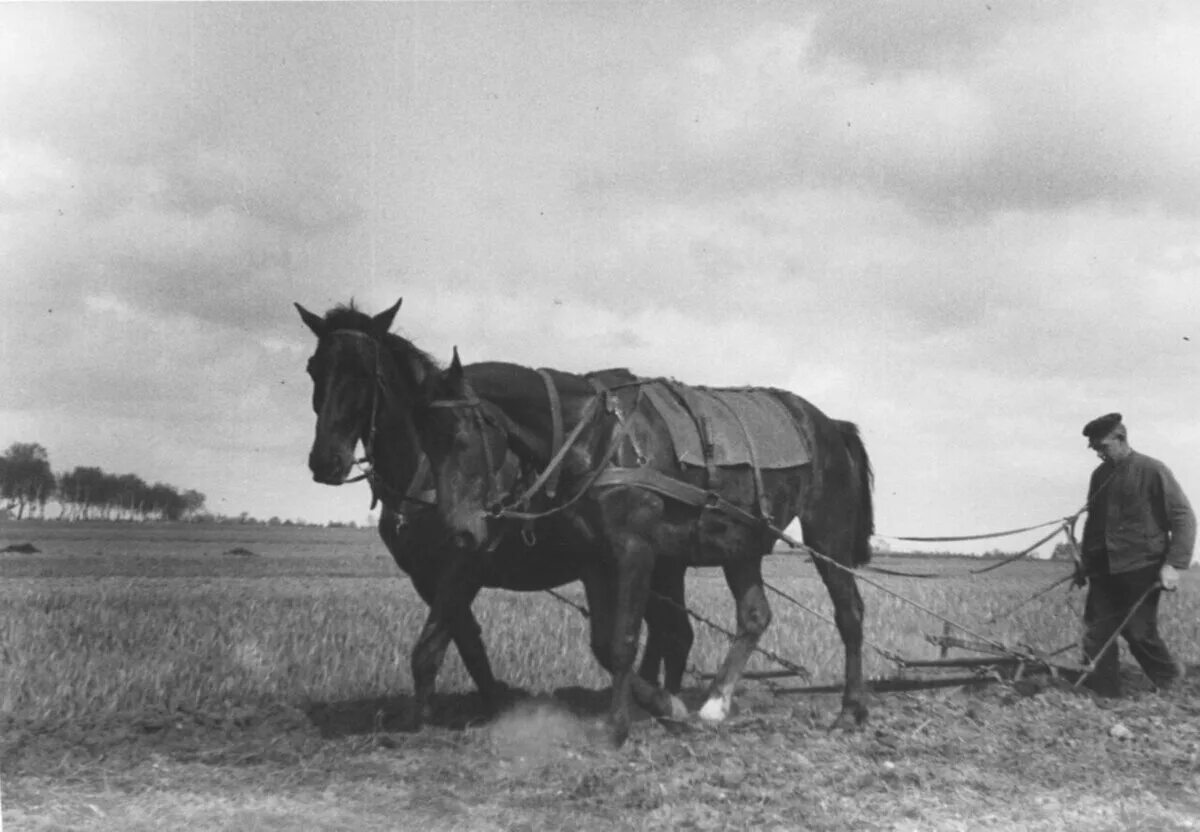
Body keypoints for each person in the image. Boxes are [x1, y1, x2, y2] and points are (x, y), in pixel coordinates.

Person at [1077, 412, 1196, 696]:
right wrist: (1084, 562)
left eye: (1103, 447)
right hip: (1104, 569)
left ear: (1121, 438)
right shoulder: (1100, 475)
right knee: (1097, 633)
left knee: (1138, 631)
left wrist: (1174, 564)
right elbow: (1094, 523)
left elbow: (1183, 517)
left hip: (1141, 567)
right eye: (1095, 450)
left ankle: (1173, 684)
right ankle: (1102, 692)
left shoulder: (1152, 470)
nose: (1100, 455)